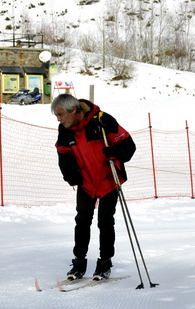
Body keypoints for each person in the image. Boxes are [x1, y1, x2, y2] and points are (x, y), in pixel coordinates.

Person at [52, 94, 136, 280]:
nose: (58, 119)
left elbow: (129, 146)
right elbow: (63, 154)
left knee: (105, 222)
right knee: (82, 221)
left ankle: (105, 262)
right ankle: (79, 263)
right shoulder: (65, 129)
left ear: (73, 110)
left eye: (60, 114)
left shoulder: (102, 120)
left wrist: (115, 152)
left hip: (108, 179)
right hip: (86, 182)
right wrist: (69, 173)